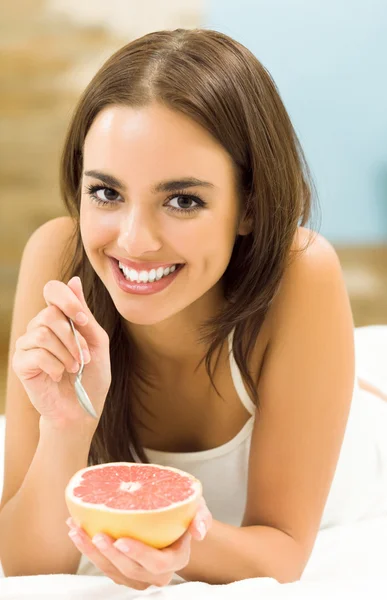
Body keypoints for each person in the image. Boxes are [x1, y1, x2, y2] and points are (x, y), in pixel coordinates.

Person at [0, 28, 386, 589]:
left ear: (249, 207)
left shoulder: (300, 273)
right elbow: (25, 564)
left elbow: (281, 554)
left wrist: (173, 544)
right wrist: (66, 427)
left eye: (183, 200)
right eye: (106, 192)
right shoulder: (58, 259)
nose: (133, 241)